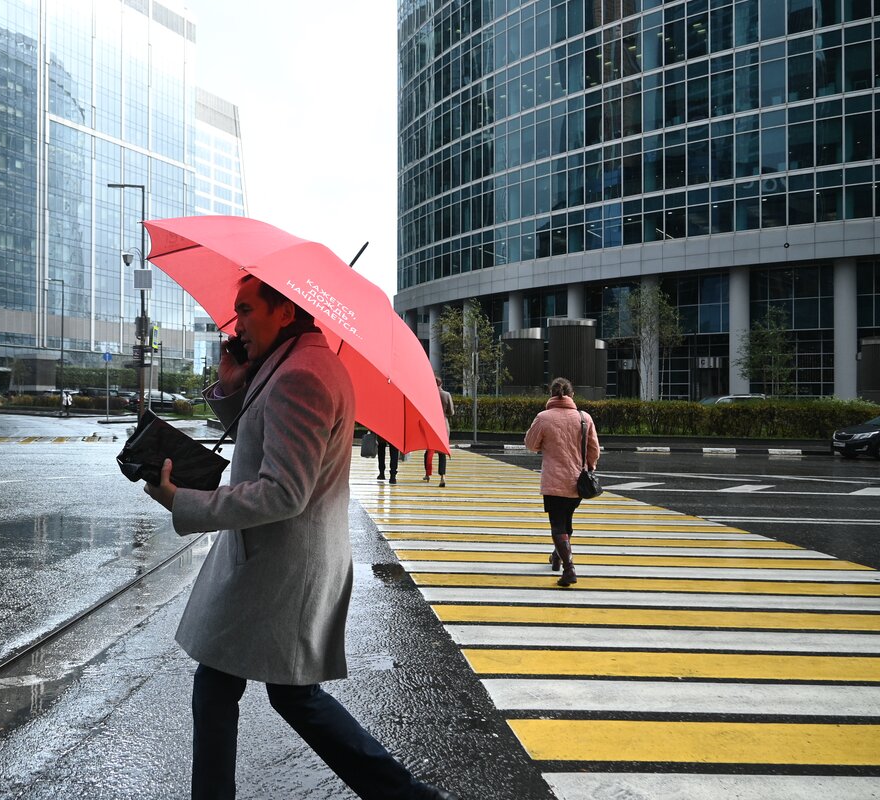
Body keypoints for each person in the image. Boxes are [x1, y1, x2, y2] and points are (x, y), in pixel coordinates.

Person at [143, 275, 455, 800]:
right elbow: (258, 433)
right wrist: (233, 384)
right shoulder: (287, 366)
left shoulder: (303, 375)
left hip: (280, 565)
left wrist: (185, 501)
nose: (236, 322)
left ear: (284, 312)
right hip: (272, 560)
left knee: (240, 690)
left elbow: (283, 491)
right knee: (267, 693)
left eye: (245, 309)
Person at [524, 377, 600, 587]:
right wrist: (590, 466)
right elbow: (594, 450)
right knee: (567, 522)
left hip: (553, 482)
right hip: (578, 481)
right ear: (572, 395)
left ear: (551, 394)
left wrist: (544, 445)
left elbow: (530, 444)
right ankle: (557, 556)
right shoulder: (584, 418)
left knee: (558, 525)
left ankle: (569, 569)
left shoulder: (544, 417)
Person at [423, 376, 454, 487]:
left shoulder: (429, 395)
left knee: (428, 450)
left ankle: (427, 474)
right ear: (441, 384)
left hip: (431, 425)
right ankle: (442, 477)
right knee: (442, 452)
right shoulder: (446, 395)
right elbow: (451, 412)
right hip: (443, 424)